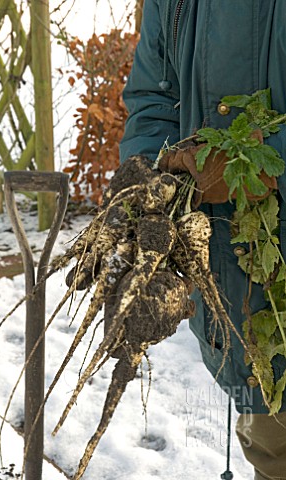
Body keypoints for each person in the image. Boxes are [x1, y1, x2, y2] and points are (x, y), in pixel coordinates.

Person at [119, 1, 286, 479]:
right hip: (243, 305)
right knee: (271, 450)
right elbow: (154, 97)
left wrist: (257, 164)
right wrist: (153, 169)